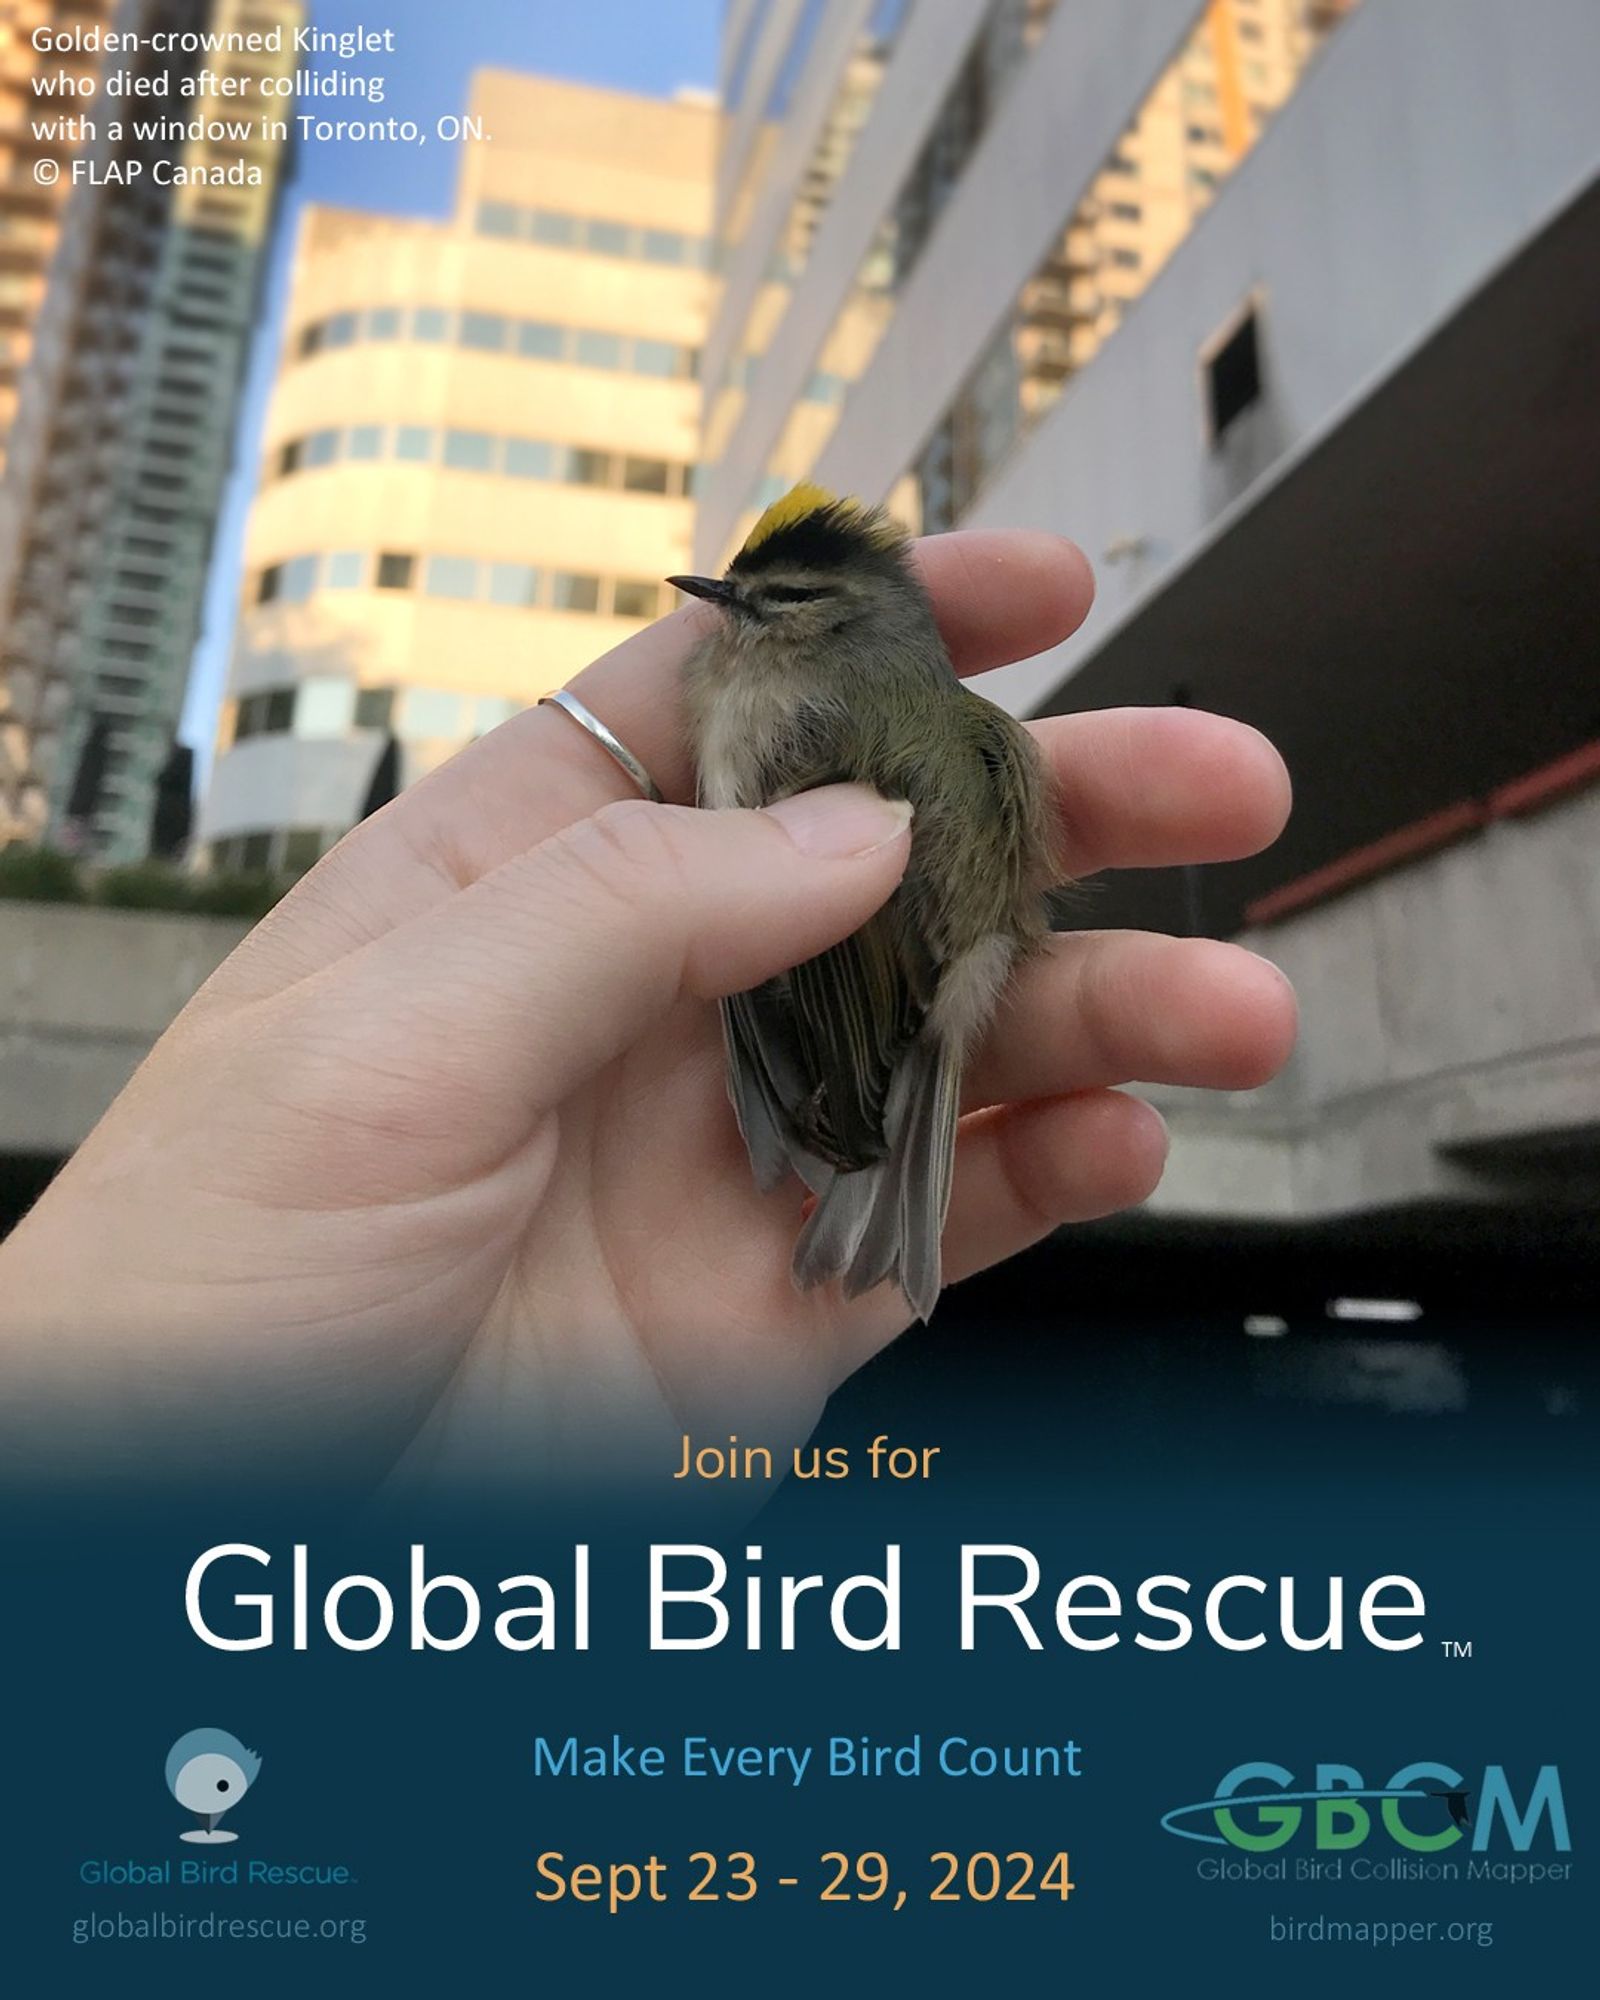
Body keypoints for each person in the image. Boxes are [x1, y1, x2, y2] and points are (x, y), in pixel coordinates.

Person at [0, 532, 1295, 1492]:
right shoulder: (888, 707)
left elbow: (843, 939)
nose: (732, 617)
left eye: (771, 607)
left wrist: (833, 1067)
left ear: (824, 631)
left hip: (865, 988)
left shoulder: (801, 704)